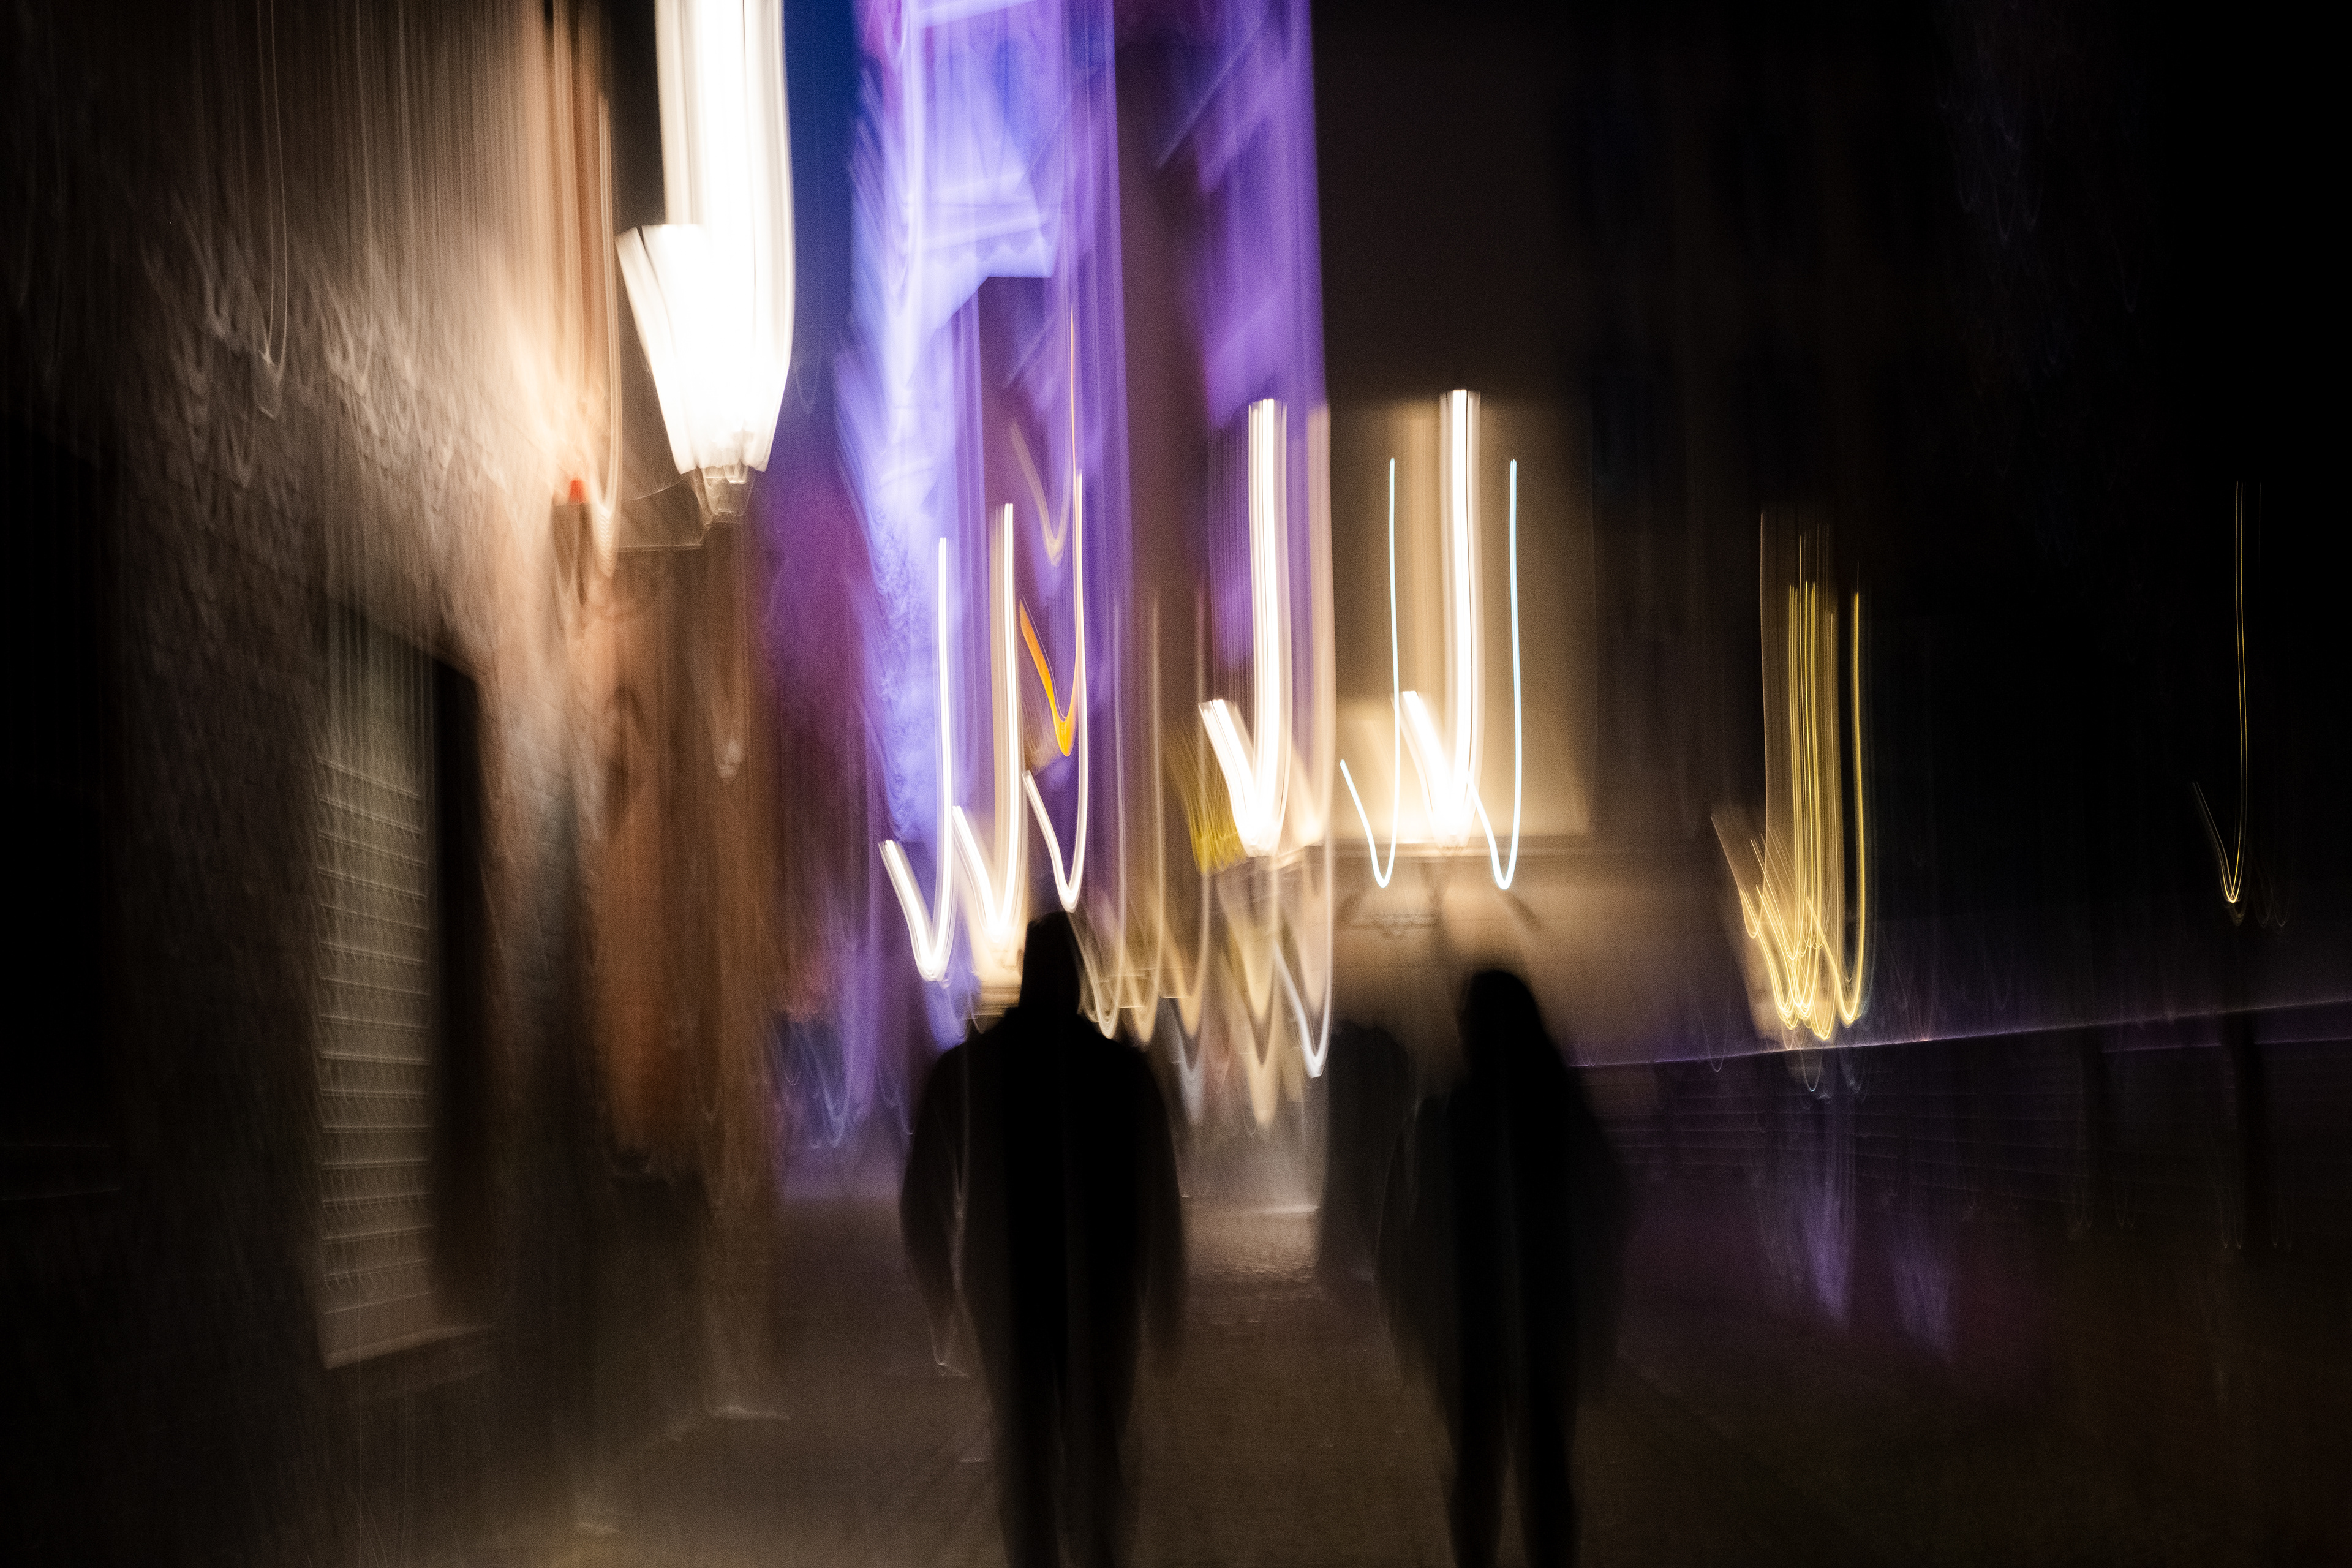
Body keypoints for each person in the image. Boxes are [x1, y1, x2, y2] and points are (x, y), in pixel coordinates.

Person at [900, 913, 1186, 1568]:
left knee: (1023, 1443)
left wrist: (941, 1293)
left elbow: (924, 1194)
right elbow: (1159, 1197)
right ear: (1081, 980)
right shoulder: (1123, 1075)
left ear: (1025, 976)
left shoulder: (971, 1068)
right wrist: (1164, 1300)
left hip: (1006, 1286)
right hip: (1103, 1289)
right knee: (1098, 1440)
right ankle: (1097, 1545)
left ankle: (1037, 1550)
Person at [1376, 970, 1629, 1568]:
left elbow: (1405, 1236)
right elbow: (1611, 1207)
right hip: (1547, 1328)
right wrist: (1592, 1314)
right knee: (1545, 1475)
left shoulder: (1440, 1119)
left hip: (1467, 1331)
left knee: (1476, 1471)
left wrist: (1413, 1318)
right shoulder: (1564, 1115)